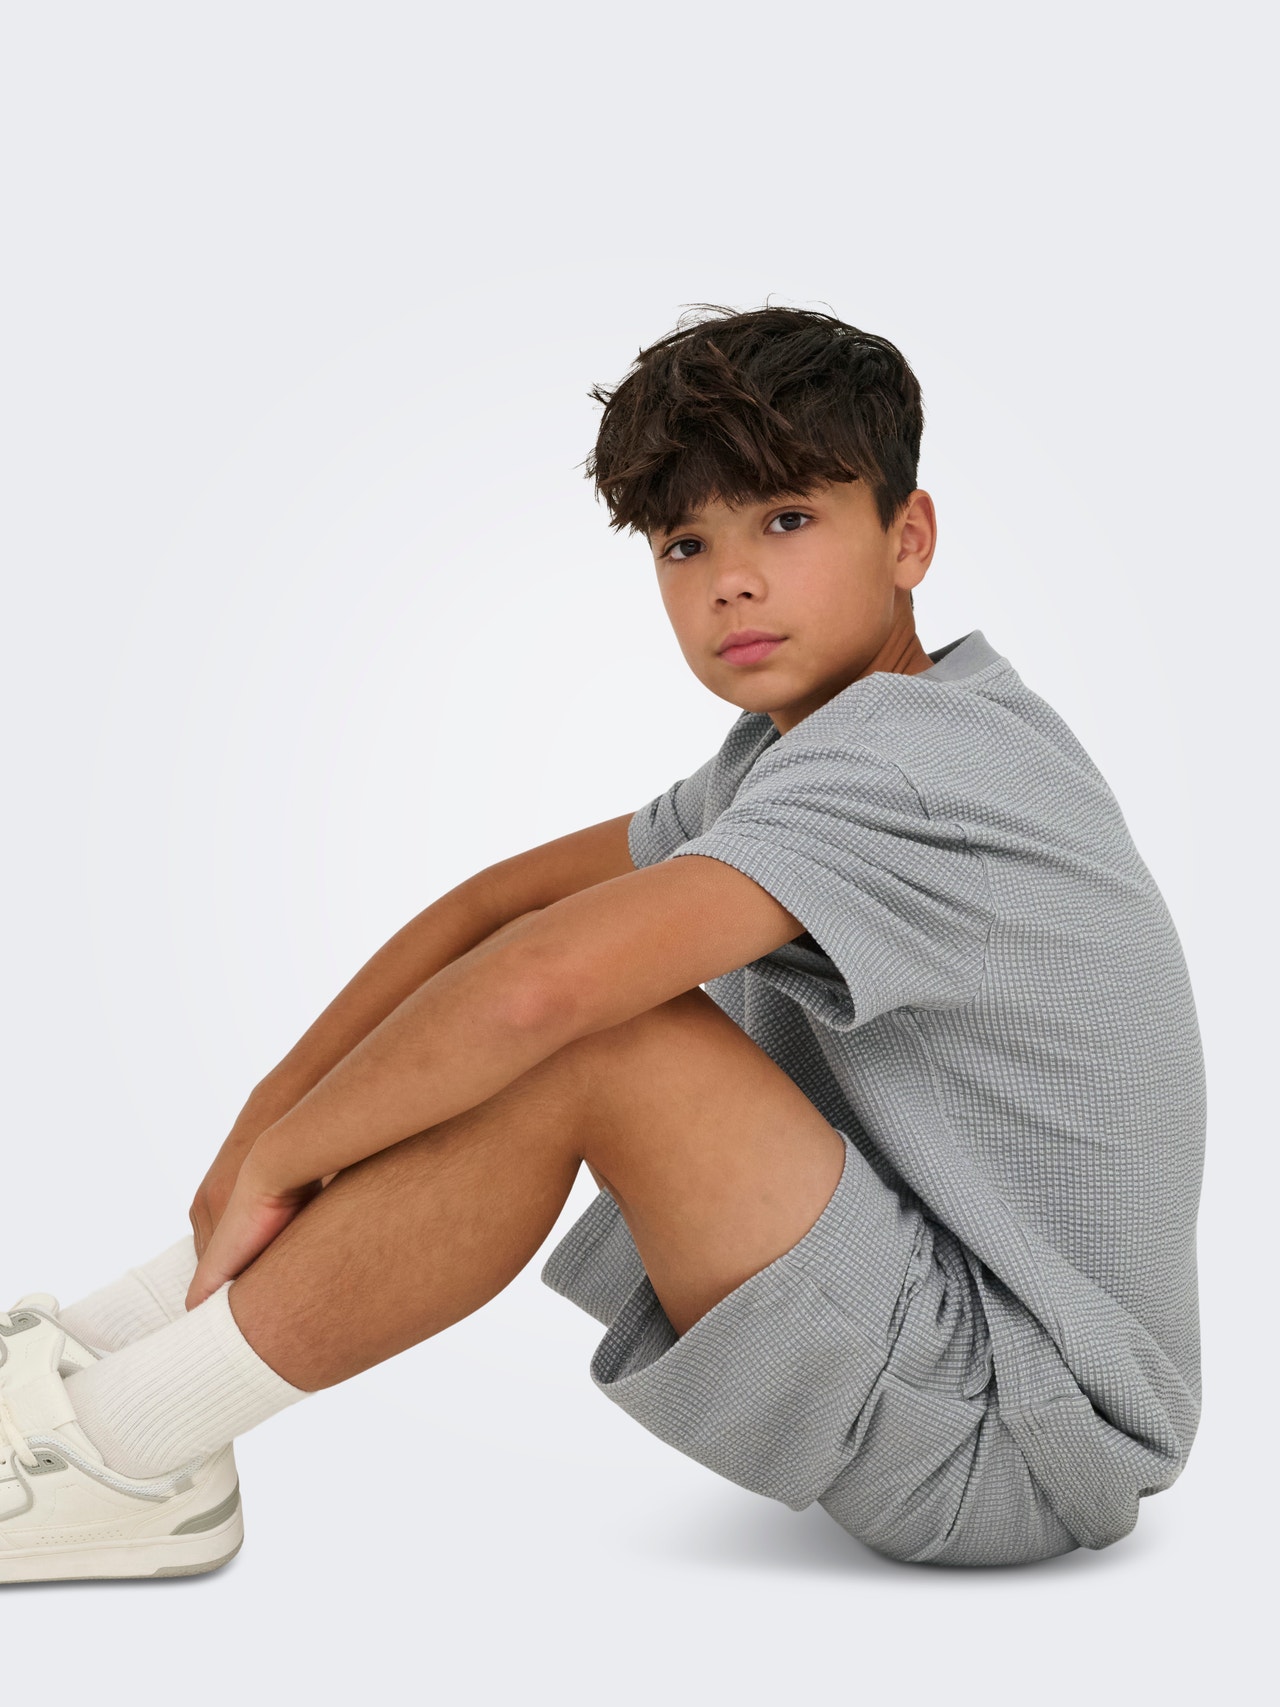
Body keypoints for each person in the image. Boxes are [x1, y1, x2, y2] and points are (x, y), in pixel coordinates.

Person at [0, 305, 1206, 1582]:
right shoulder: (801, 755)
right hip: (973, 1373)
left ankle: (126, 1453)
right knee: (529, 1014)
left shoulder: (911, 759)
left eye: (785, 520)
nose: (729, 579)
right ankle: (102, 1357)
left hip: (1022, 1435)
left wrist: (282, 1155)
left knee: (595, 1036)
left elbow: (540, 988)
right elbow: (492, 912)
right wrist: (265, 1125)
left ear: (906, 537)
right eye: (685, 543)